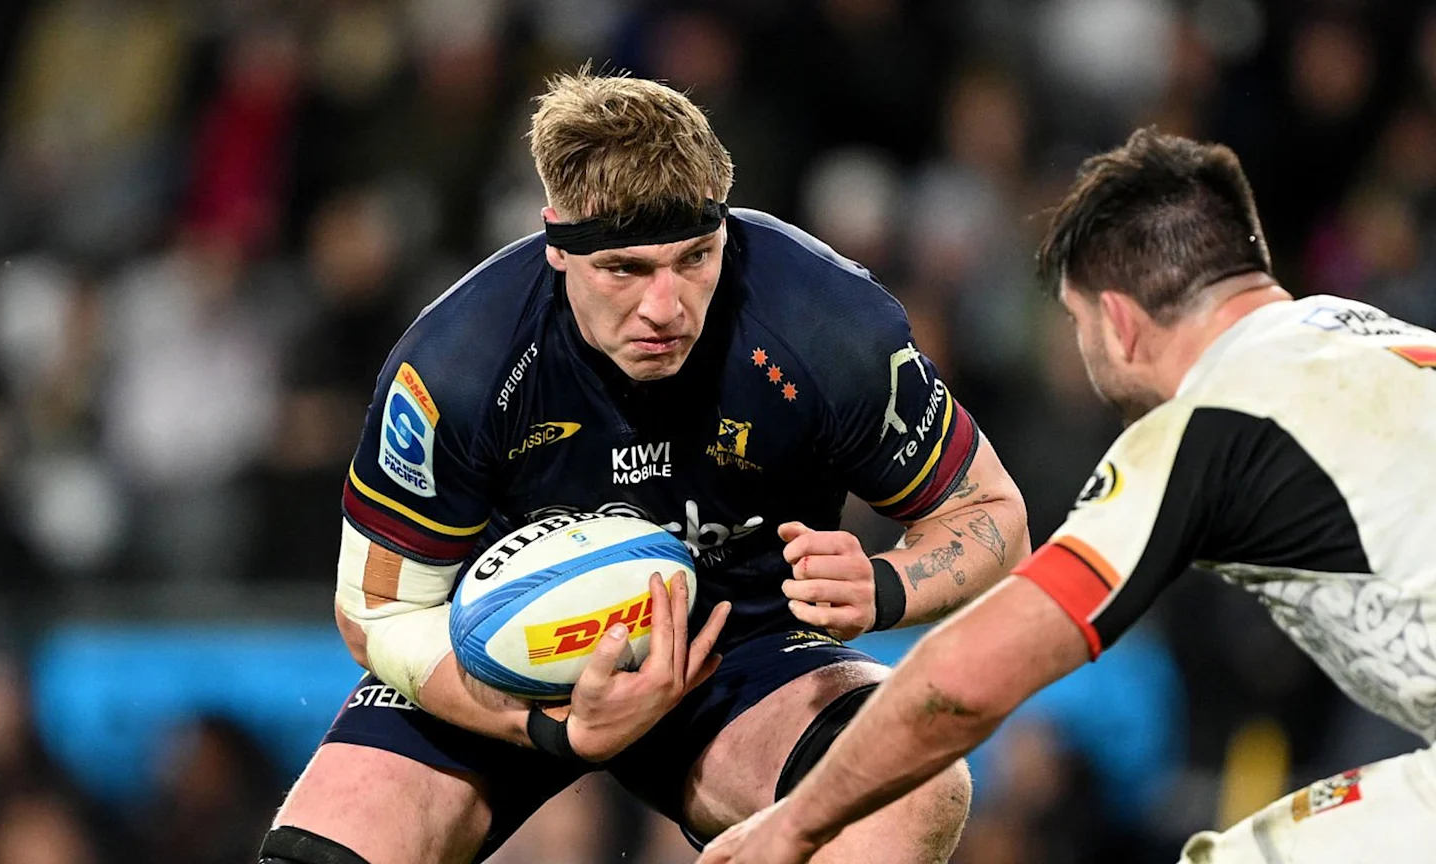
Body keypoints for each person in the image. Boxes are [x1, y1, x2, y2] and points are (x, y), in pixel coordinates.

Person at [256, 71, 1031, 864]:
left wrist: (887, 584)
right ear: (557, 245)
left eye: (695, 258)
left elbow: (992, 515)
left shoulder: (827, 325)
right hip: (500, 655)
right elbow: (377, 613)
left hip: (744, 651)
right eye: (624, 269)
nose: (665, 308)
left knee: (913, 785)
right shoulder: (456, 364)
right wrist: (550, 727)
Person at [697, 128, 1436, 864]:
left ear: (1118, 322)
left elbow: (966, 681)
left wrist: (794, 825)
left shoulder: (1209, 422)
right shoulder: (1379, 337)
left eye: (1078, 323)